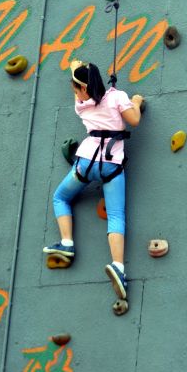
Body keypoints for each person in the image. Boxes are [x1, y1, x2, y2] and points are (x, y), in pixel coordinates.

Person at [43, 60, 144, 301]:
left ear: (83, 89)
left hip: (86, 163)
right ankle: (118, 267)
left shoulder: (81, 104)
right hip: (111, 165)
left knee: (60, 198)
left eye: (74, 86)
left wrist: (73, 67)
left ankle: (67, 242)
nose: (74, 91)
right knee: (116, 216)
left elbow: (82, 87)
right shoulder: (118, 96)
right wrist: (137, 101)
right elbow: (134, 120)